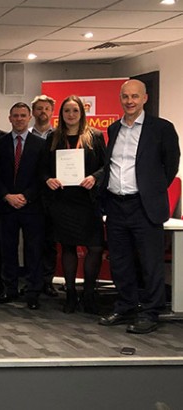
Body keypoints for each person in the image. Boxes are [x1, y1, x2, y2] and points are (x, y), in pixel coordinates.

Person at [100, 79, 180, 334]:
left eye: (135, 96)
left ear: (145, 98)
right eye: (125, 96)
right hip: (116, 205)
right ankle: (125, 306)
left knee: (150, 262)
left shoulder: (162, 128)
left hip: (144, 206)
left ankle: (151, 312)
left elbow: (171, 165)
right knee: (120, 261)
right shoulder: (114, 129)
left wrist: (152, 189)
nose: (130, 101)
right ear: (120, 99)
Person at [43, 95, 106, 314]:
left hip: (88, 201)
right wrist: (48, 179)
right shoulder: (53, 137)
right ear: (61, 114)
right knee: (68, 247)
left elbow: (106, 166)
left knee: (95, 247)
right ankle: (70, 294)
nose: (71, 115)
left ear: (82, 113)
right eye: (67, 111)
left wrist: (95, 177)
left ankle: (88, 293)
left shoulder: (94, 136)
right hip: (63, 201)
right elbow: (42, 168)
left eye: (75, 111)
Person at [0, 103, 46, 309]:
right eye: (15, 115)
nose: (19, 119)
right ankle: (10, 289)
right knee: (7, 250)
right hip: (6, 205)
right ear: (9, 118)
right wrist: (7, 195)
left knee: (33, 251)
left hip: (31, 206)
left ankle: (33, 292)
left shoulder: (40, 144)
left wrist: (25, 196)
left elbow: (43, 175)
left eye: (23, 115)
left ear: (29, 117)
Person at [29, 94, 59, 298]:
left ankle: (47, 281)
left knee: (50, 242)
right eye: (39, 108)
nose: (43, 112)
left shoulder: (58, 136)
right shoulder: (26, 135)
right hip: (30, 196)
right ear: (33, 112)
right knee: (32, 243)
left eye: (46, 109)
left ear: (52, 112)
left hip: (52, 196)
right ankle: (33, 281)